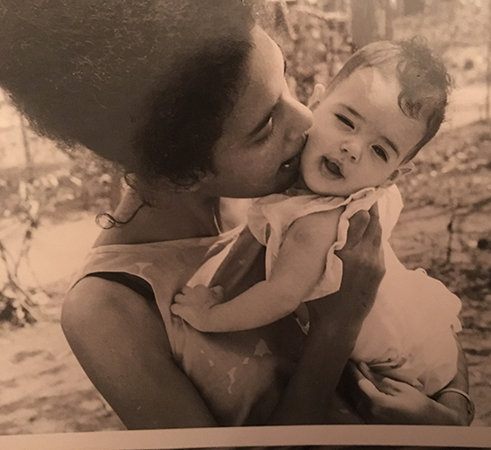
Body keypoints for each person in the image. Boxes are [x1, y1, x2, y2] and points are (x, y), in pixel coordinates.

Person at [0, 0, 473, 430]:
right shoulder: (109, 309)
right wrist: (338, 326)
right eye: (266, 124)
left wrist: (452, 405)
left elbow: (409, 307)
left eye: (286, 82)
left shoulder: (291, 189)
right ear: (182, 170)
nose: (306, 121)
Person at [171, 39, 462, 398]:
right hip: (420, 329)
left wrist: (211, 316)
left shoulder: (318, 222)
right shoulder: (329, 196)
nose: (352, 149)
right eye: (345, 121)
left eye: (379, 151)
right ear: (316, 102)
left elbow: (280, 296)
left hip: (404, 360)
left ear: (392, 176)